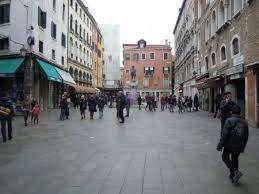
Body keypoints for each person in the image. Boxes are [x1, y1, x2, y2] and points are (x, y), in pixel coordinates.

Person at [217, 105, 249, 184]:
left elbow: (224, 134)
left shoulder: (229, 120)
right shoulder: (244, 122)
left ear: (231, 112)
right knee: (235, 159)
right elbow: (246, 136)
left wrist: (220, 145)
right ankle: (234, 176)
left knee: (225, 157)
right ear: (240, 112)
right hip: (239, 145)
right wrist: (243, 147)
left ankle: (235, 172)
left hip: (229, 144)